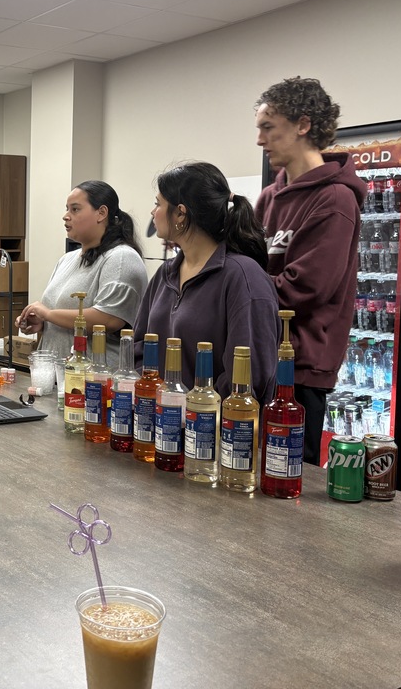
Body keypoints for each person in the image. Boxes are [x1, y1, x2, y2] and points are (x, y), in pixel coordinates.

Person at [254, 77, 366, 463]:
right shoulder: (269, 197)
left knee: (285, 484)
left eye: (268, 127)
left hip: (300, 370)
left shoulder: (335, 199)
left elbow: (305, 288)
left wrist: (244, 291)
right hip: (260, 357)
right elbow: (249, 268)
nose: (260, 140)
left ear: (303, 125)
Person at [134, 162, 279, 402]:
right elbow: (140, 346)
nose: (153, 212)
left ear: (180, 213)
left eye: (158, 204)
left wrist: (193, 409)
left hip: (215, 430)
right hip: (160, 424)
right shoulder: (165, 274)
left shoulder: (242, 277)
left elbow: (249, 376)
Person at [17, 181, 147, 364]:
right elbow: (62, 316)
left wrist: (47, 314)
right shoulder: (67, 259)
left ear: (101, 213)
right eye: (67, 209)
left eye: (75, 209)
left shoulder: (121, 258)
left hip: (96, 381)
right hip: (57, 375)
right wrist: (43, 323)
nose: (65, 216)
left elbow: (108, 319)